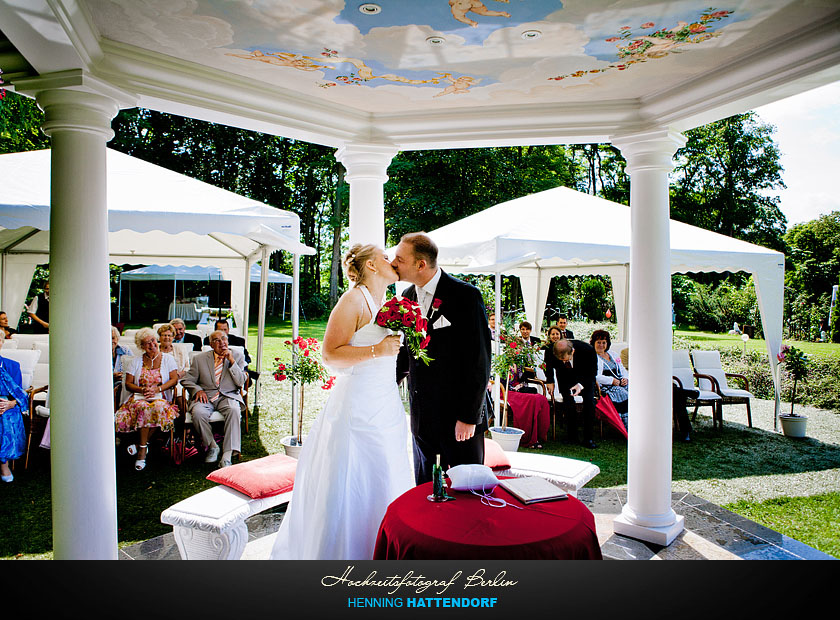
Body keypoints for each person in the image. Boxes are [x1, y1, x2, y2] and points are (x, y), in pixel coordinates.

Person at [270, 244, 412, 560]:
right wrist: (379, 350)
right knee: (355, 476)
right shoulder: (353, 300)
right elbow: (330, 354)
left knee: (384, 472)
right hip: (358, 405)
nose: (392, 260)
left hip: (385, 401)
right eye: (385, 257)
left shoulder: (385, 302)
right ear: (373, 266)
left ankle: (382, 545)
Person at [392, 232, 491, 485]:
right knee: (425, 487)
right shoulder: (407, 298)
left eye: (400, 259)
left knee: (465, 489)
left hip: (459, 419)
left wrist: (469, 417)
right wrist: (383, 384)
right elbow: (407, 354)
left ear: (420, 265)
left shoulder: (466, 296)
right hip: (422, 417)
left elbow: (479, 360)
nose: (393, 263)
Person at [114, 327, 180, 471]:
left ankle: (141, 448)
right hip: (139, 397)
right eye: (146, 343)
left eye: (152, 340)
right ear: (141, 346)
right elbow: (128, 383)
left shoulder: (168, 359)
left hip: (160, 396)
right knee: (144, 408)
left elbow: (174, 379)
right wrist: (143, 390)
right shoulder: (135, 361)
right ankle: (143, 448)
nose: (151, 344)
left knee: (158, 408)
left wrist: (158, 389)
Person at [181, 330, 246, 469]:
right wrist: (197, 390)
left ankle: (227, 455)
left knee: (234, 410)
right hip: (206, 395)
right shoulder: (199, 359)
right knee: (198, 413)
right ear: (211, 345)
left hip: (228, 395)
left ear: (228, 341)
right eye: (217, 340)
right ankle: (212, 446)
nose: (221, 342)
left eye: (224, 339)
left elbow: (241, 382)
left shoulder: (238, 356)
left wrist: (232, 361)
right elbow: (187, 379)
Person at [544, 338, 598, 449]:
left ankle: (588, 438)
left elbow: (592, 372)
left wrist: (581, 385)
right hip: (564, 376)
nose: (563, 362)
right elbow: (548, 365)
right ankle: (571, 436)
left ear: (572, 351)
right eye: (560, 360)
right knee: (568, 403)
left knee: (589, 402)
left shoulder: (588, 350)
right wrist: (550, 381)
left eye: (565, 359)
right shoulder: (550, 349)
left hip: (585, 377)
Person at [0, 332, 27, 482]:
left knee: (5, 417)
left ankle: (4, 464)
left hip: (7, 405)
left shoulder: (12, 366)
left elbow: (20, 394)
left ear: (2, 342)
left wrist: (10, 404)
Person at [590, 329, 629, 428]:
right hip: (604, 386)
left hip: (620, 382)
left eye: (604, 342)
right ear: (593, 343)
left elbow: (622, 369)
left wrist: (625, 378)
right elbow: (594, 376)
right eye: (598, 342)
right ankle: (624, 425)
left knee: (635, 392)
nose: (601, 345)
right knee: (623, 394)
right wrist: (611, 380)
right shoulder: (592, 357)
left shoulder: (613, 354)